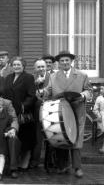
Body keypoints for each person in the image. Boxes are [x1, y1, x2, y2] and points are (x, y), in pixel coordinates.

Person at [39, 50, 92, 178]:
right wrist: (42, 91)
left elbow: (88, 91)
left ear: (71, 61)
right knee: (61, 135)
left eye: (67, 60)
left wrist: (83, 95)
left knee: (76, 138)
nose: (64, 62)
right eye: (62, 61)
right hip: (60, 110)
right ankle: (63, 165)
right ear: (58, 63)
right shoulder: (53, 76)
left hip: (77, 109)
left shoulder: (81, 75)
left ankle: (77, 168)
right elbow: (49, 91)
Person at [0, 56, 36, 170]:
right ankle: (14, 160)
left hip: (23, 113)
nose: (16, 66)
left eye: (18, 65)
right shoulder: (8, 77)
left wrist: (23, 106)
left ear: (23, 66)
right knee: (13, 136)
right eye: (14, 64)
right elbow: (3, 93)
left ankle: (25, 160)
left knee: (25, 137)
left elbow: (32, 95)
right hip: (10, 112)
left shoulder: (29, 77)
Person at [29, 59, 50, 168]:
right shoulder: (32, 78)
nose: (41, 69)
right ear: (35, 69)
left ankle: (51, 162)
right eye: (38, 67)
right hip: (36, 112)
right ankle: (35, 160)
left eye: (43, 66)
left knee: (51, 135)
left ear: (46, 67)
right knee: (37, 137)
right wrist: (35, 85)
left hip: (50, 111)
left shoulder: (52, 77)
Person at [93, 86, 104, 154]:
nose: (101, 90)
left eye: (103, 89)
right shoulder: (99, 98)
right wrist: (99, 116)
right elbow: (95, 109)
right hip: (102, 116)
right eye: (101, 89)